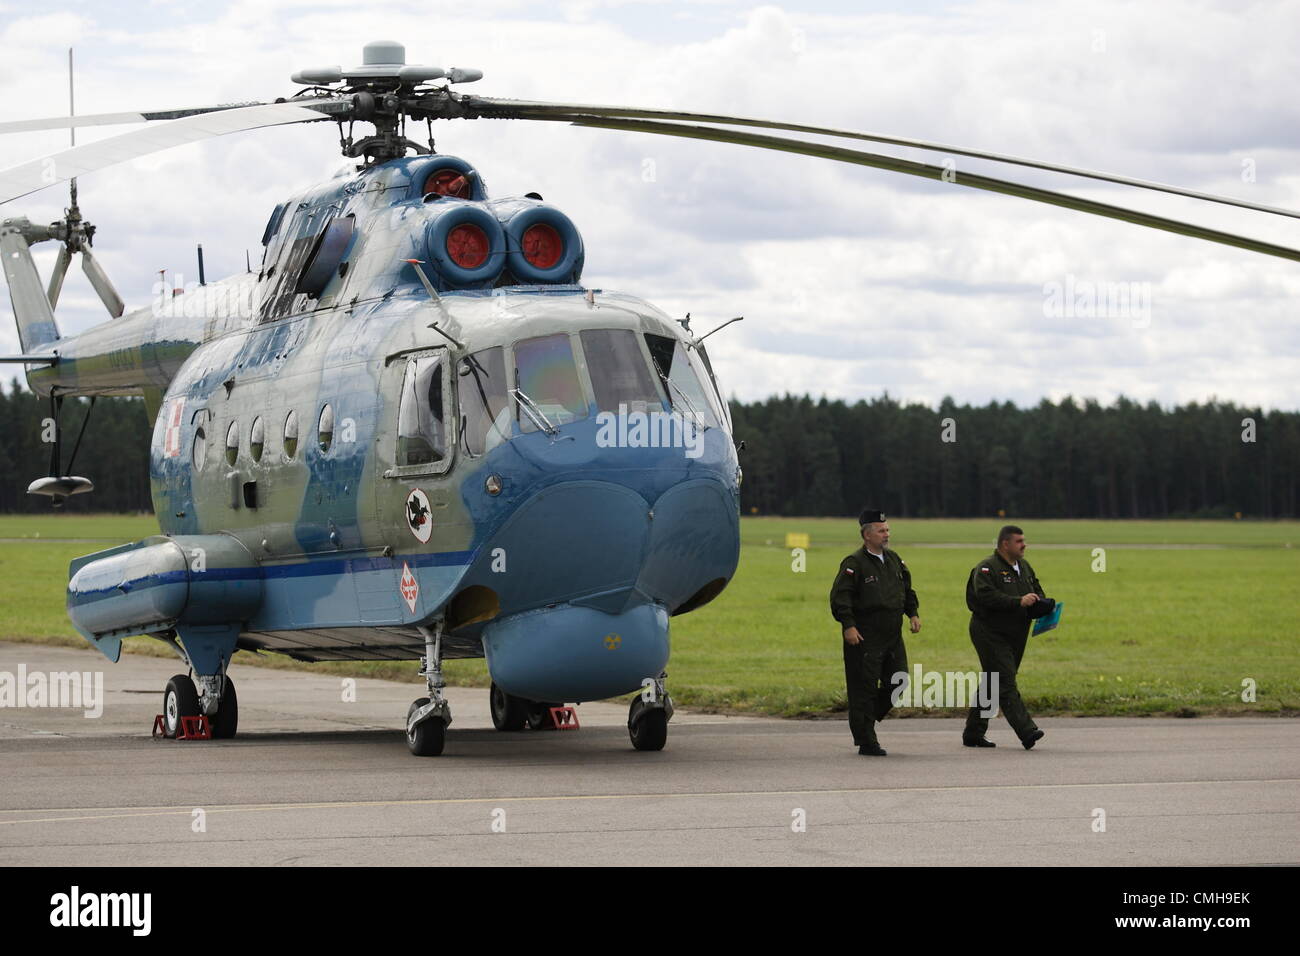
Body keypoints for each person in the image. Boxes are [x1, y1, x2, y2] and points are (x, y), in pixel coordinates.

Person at [829, 509, 921, 756]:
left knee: (899, 681)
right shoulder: (854, 564)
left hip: (892, 634)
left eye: (887, 529)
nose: (886, 534)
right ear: (867, 535)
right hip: (864, 635)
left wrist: (912, 613)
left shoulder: (894, 560)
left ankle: (867, 717)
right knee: (863, 688)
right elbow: (841, 597)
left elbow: (907, 588)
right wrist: (848, 625)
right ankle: (866, 740)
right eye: (881, 530)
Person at [963, 525, 1047, 750]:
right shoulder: (986, 569)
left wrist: (1043, 605)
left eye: (1024, 540)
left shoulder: (1024, 567)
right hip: (989, 631)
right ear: (1005, 544)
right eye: (1019, 541)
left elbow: (1037, 591)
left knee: (993, 681)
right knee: (1005, 680)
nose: (1024, 544)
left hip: (1016, 633)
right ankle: (1026, 730)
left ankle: (973, 733)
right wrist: (1018, 601)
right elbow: (985, 597)